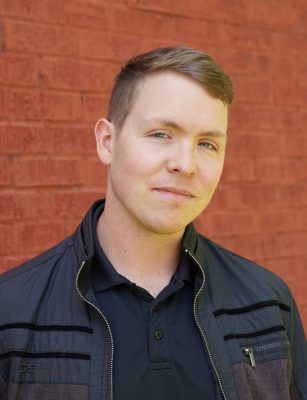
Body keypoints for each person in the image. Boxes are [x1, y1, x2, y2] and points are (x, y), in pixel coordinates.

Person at [0, 47, 306, 400]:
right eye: (161, 134)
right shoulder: (12, 312)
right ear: (107, 142)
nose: (186, 164)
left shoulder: (268, 304)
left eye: (207, 143)